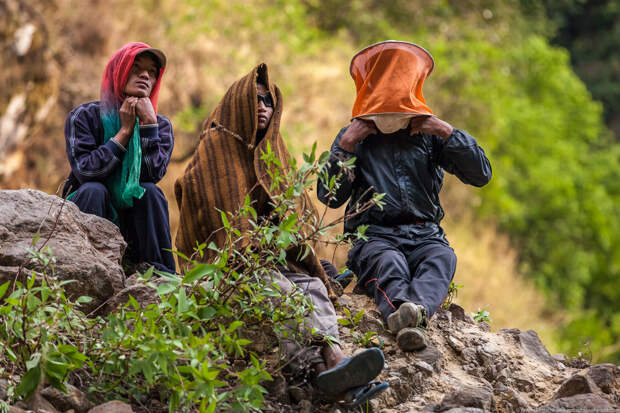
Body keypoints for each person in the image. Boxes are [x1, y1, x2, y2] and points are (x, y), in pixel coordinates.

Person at [174, 63, 387, 406]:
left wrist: (291, 246)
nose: (262, 107)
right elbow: (216, 217)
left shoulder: (274, 151)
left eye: (268, 101)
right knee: (283, 292)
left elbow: (295, 213)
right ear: (236, 104)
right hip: (230, 264)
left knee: (314, 287)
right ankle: (322, 369)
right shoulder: (216, 147)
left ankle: (336, 363)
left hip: (273, 258)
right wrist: (254, 245)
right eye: (255, 100)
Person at [317, 41, 492, 352]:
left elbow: (481, 174)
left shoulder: (428, 134)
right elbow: (329, 197)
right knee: (390, 262)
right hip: (375, 236)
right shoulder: (355, 136)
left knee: (442, 257)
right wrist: (345, 146)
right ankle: (406, 314)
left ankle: (411, 315)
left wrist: (445, 131)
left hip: (426, 235)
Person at [62, 42, 175, 274]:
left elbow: (152, 174)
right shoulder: (84, 116)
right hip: (91, 209)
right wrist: (123, 133)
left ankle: (159, 274)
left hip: (133, 226)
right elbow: (85, 171)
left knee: (150, 192)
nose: (145, 75)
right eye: (136, 68)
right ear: (118, 71)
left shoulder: (160, 125)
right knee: (94, 189)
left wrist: (148, 127)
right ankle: (86, 269)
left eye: (152, 72)